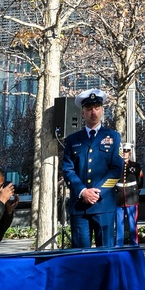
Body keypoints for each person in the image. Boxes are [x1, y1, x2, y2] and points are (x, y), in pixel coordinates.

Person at [61, 89, 123, 249]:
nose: (93, 112)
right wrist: (82, 191)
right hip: (80, 207)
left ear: (102, 110)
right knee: (81, 259)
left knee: (106, 255)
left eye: (96, 108)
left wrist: (98, 192)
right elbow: (67, 170)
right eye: (89, 109)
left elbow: (117, 170)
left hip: (104, 205)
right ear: (82, 113)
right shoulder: (72, 140)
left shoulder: (114, 137)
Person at [115, 142, 142, 246]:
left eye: (127, 151)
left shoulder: (135, 166)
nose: (125, 153)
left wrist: (136, 193)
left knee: (132, 223)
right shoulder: (116, 166)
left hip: (132, 197)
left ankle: (134, 243)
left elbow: (140, 182)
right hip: (119, 197)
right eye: (123, 151)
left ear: (130, 153)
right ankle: (118, 244)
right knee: (119, 223)